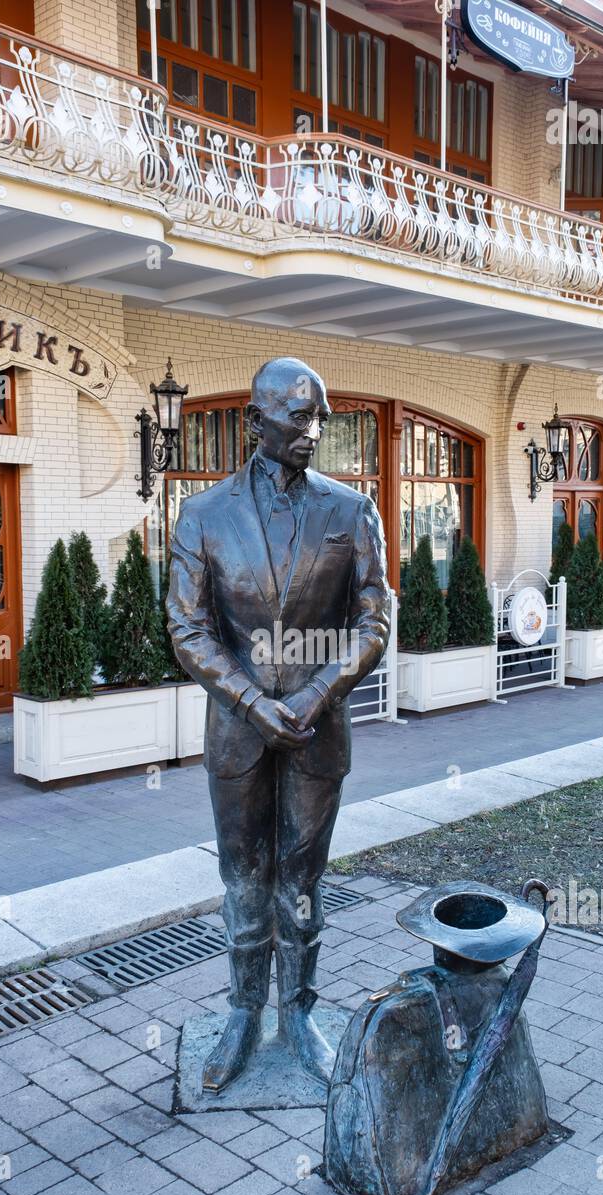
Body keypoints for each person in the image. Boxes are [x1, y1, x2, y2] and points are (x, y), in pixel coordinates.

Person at [167, 356, 391, 1091]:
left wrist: (317, 693)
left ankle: (297, 1012)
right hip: (238, 729)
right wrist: (253, 702)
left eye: (321, 416)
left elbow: (374, 621)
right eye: (299, 416)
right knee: (244, 877)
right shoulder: (202, 515)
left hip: (316, 727)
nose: (314, 430)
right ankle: (241, 1013)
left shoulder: (351, 511)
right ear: (255, 421)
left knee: (302, 877)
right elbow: (189, 630)